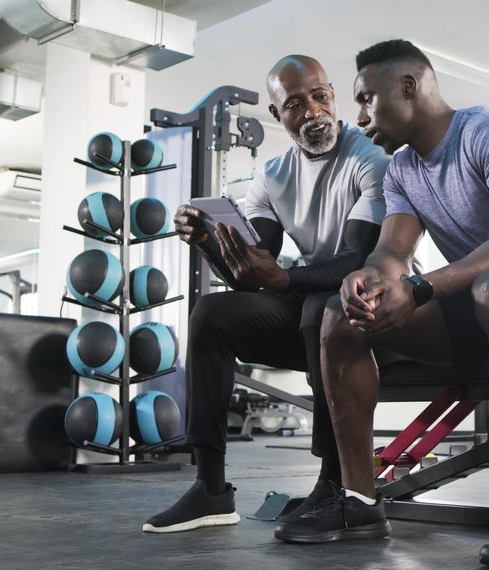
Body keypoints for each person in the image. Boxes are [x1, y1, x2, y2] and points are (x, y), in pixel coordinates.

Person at [273, 40, 489, 569]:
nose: (358, 118)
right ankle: (359, 501)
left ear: (408, 86)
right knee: (341, 316)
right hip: (484, 307)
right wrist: (366, 282)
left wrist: (421, 288)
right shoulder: (403, 169)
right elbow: (390, 254)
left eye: (366, 100)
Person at [143, 54, 390, 533]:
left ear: (333, 95)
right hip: (310, 307)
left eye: (320, 96)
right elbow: (251, 271)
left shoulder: (368, 159)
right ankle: (210, 488)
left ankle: (334, 484)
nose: (313, 110)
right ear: (277, 116)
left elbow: (360, 255)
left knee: (323, 304)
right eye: (296, 104)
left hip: (373, 305)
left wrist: (285, 279)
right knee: (213, 311)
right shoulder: (272, 174)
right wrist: (210, 244)